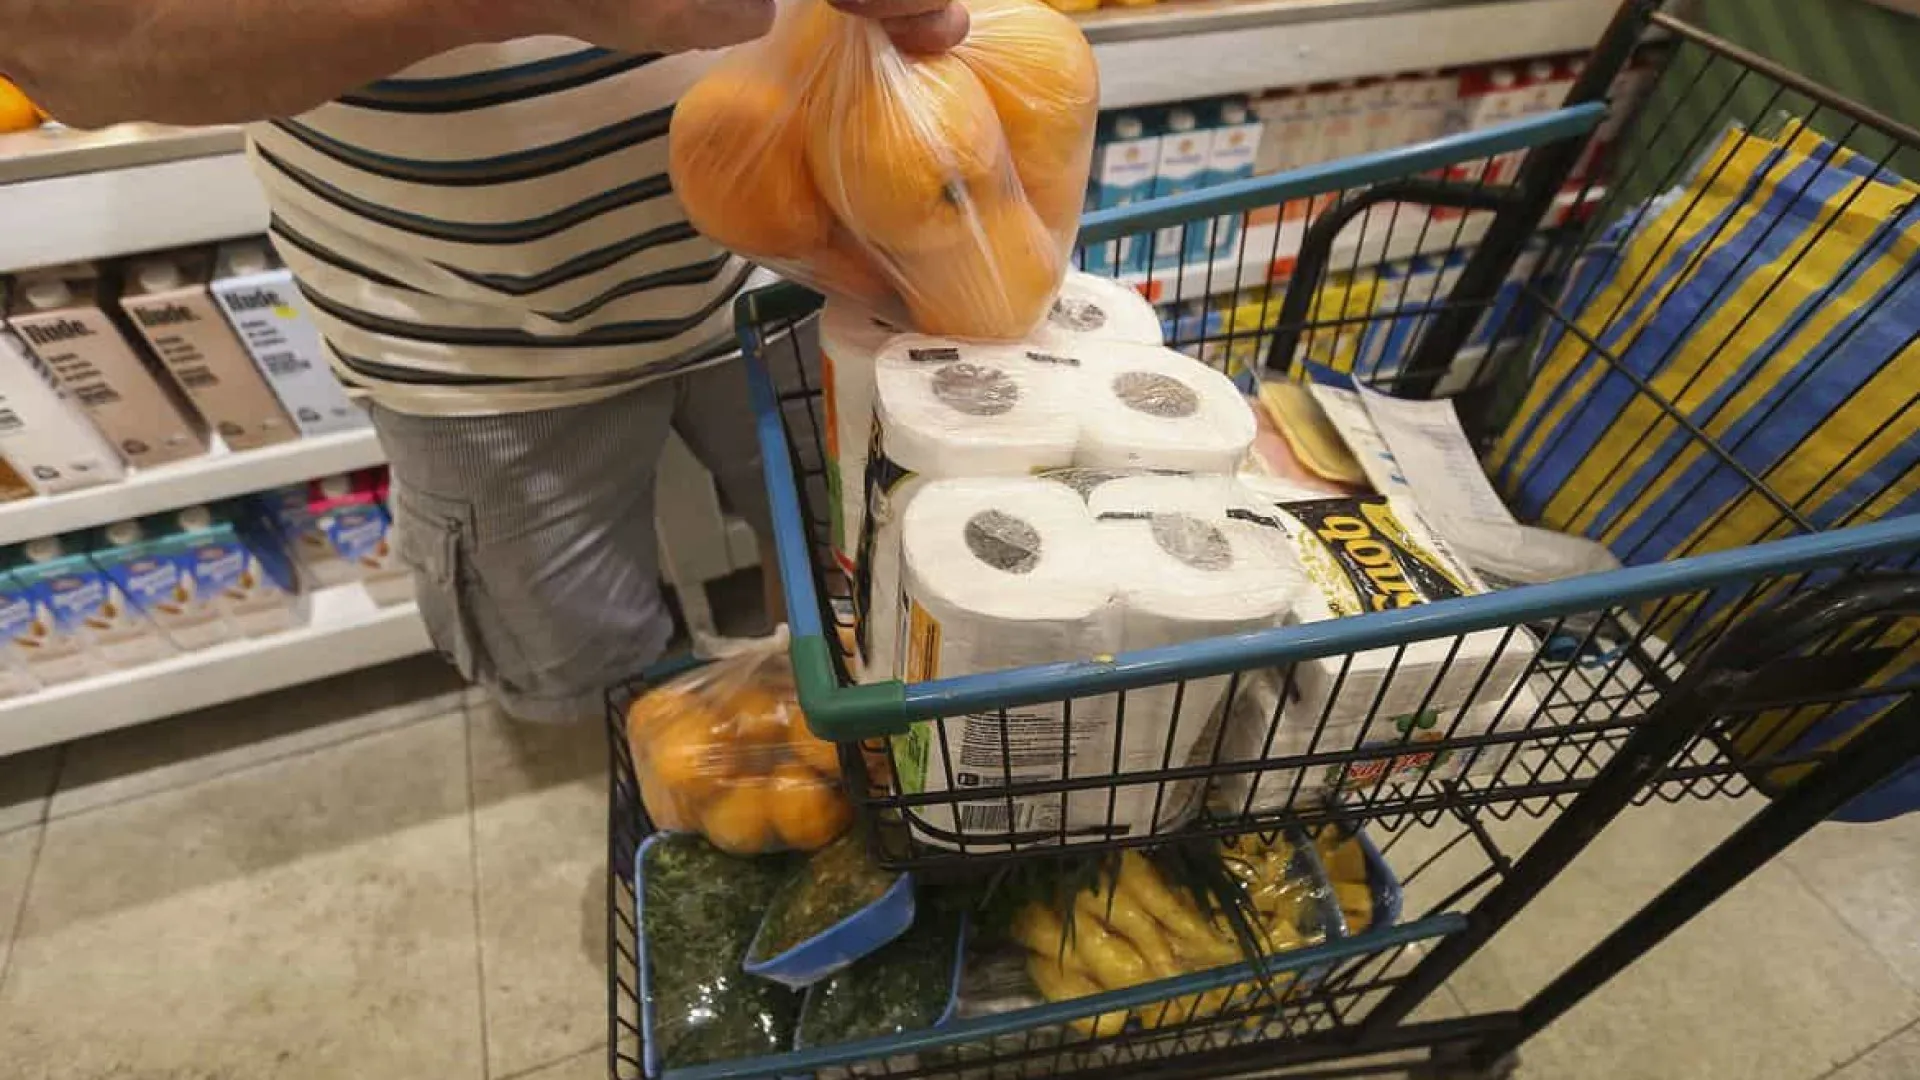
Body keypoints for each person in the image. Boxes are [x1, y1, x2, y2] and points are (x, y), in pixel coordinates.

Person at [2, 0, 967, 721]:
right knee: (574, 659)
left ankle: (806, 745)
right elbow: (63, 50)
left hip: (802, 252)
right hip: (465, 341)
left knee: (851, 580)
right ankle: (685, 781)